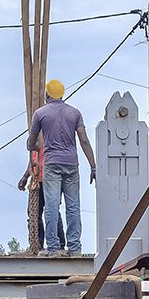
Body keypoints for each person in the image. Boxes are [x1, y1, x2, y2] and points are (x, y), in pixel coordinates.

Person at [27, 79, 97, 257]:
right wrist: (93, 166)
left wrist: (35, 147)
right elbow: (84, 140)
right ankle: (74, 248)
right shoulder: (74, 113)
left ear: (47, 95)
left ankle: (53, 248)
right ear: (62, 94)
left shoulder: (40, 114)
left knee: (51, 206)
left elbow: (31, 142)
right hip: (72, 164)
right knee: (73, 206)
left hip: (51, 164)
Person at [17, 160, 65, 250]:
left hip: (52, 178)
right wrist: (25, 176)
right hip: (37, 178)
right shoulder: (33, 147)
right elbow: (33, 159)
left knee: (52, 212)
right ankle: (36, 245)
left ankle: (59, 245)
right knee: (33, 213)